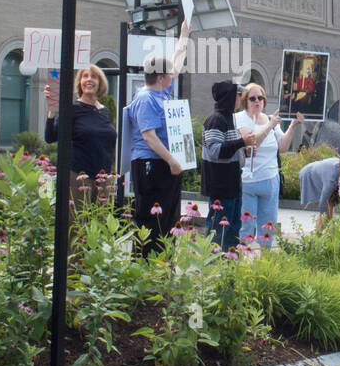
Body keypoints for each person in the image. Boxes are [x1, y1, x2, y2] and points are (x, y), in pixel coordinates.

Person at [125, 20, 192, 256]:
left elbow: (175, 63)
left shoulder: (162, 92)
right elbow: (149, 136)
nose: (173, 77)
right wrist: (173, 160)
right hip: (150, 165)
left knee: (167, 220)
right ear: (161, 78)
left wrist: (184, 37)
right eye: (169, 76)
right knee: (151, 221)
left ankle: (163, 266)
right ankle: (145, 268)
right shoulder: (146, 99)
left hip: (165, 165)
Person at [234, 84, 303, 247]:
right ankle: (242, 262)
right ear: (245, 101)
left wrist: (293, 125)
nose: (257, 101)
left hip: (270, 180)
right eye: (252, 98)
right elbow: (250, 145)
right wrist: (270, 125)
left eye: (260, 98)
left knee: (268, 228)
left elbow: (283, 147)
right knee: (247, 227)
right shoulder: (239, 118)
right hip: (247, 182)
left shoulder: (269, 119)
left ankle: (265, 263)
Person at [43, 64, 117, 200]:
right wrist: (52, 110)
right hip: (79, 177)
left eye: (94, 77)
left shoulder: (105, 111)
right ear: (79, 82)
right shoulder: (72, 109)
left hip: (103, 178)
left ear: (100, 83)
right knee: (78, 220)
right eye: (85, 76)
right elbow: (50, 136)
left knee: (102, 220)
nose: (89, 79)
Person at [202, 80, 257, 251]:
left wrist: (244, 150)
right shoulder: (215, 120)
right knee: (218, 229)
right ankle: (213, 267)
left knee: (232, 228)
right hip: (220, 185)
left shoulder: (228, 118)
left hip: (232, 184)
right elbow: (215, 151)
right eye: (238, 95)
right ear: (229, 97)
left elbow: (228, 149)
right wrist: (242, 141)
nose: (241, 99)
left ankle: (229, 264)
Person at [297, 157, 340, 229]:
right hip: (309, 175)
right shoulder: (331, 180)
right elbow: (323, 203)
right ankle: (320, 234)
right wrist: (327, 219)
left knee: (331, 204)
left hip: (323, 172)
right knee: (326, 210)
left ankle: (328, 230)